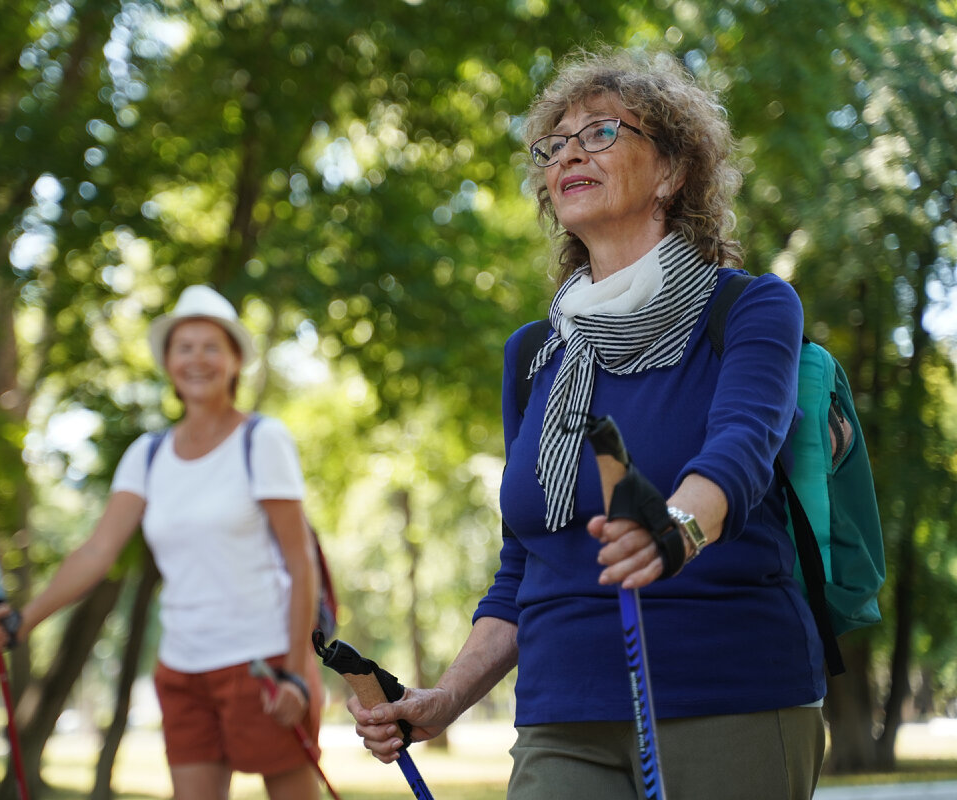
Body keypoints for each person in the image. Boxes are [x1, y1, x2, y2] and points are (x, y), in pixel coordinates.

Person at [348, 47, 826, 799]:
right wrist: (444, 700)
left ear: (670, 172)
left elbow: (742, 449)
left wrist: (677, 530)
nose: (568, 151)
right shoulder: (535, 355)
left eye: (602, 133)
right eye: (554, 143)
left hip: (727, 696)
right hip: (560, 713)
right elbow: (525, 563)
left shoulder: (750, 307)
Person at [0, 284, 323, 800]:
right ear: (168, 363)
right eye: (184, 347)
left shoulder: (262, 440)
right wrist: (22, 621)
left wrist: (296, 672)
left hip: (263, 661)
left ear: (234, 361)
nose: (197, 359)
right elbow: (98, 551)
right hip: (183, 668)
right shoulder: (148, 454)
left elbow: (301, 564)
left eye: (212, 347)